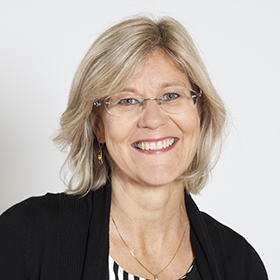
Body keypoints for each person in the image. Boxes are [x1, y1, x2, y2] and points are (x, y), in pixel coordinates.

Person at [0, 16, 267, 280]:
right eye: (127, 100)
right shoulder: (26, 236)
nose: (153, 119)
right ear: (98, 126)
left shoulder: (239, 263)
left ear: (199, 110)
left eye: (171, 96)